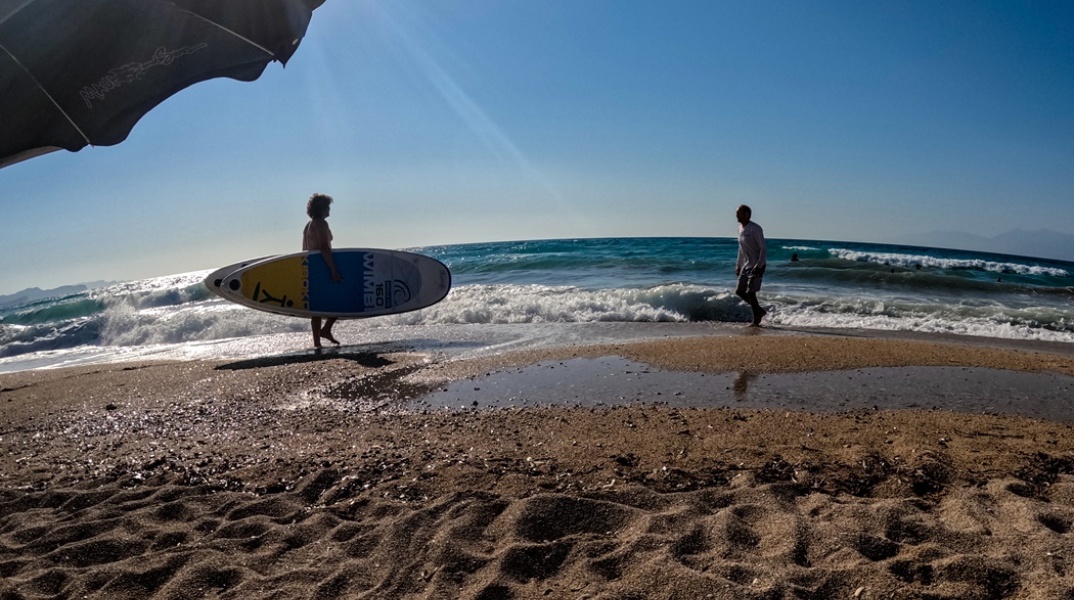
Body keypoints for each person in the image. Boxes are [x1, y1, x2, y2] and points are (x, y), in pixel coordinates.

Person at [303, 193, 343, 347]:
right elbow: (324, 247)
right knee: (340, 300)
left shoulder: (308, 225)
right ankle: (326, 329)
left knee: (317, 308)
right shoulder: (321, 224)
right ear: (321, 208)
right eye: (328, 207)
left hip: (313, 269)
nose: (329, 210)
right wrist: (333, 269)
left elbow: (305, 250)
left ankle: (317, 343)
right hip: (323, 266)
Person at [735, 204, 767, 326]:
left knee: (750, 292)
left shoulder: (755, 228)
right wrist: (739, 265)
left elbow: (763, 248)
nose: (737, 216)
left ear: (747, 214)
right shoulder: (740, 229)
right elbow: (741, 249)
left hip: (758, 265)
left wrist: (759, 265)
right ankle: (760, 311)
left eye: (739, 213)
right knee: (739, 291)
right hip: (747, 265)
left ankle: (756, 320)